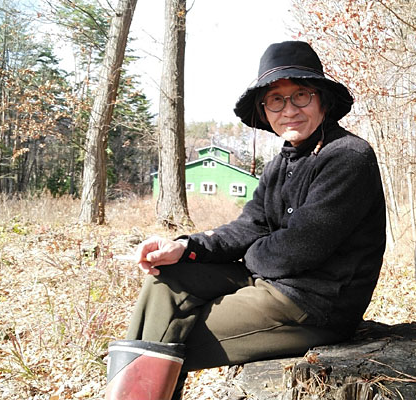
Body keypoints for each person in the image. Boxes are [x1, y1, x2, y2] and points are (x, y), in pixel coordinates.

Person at [104, 40, 387, 400]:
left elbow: (299, 248)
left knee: (164, 341)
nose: (289, 109)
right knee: (167, 278)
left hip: (313, 306)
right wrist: (185, 247)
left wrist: (249, 255)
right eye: (276, 99)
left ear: (323, 100)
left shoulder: (348, 157)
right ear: (264, 110)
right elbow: (249, 226)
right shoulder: (280, 164)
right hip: (267, 282)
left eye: (301, 95)